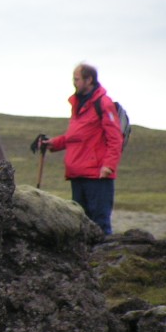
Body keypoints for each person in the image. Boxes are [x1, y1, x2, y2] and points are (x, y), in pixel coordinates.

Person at [42, 63, 123, 235]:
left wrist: (108, 166)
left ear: (89, 79)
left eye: (77, 79)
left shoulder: (103, 103)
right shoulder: (77, 105)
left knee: (100, 224)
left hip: (97, 175)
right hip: (77, 173)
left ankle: (103, 253)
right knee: (80, 223)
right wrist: (52, 143)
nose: (74, 82)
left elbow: (115, 138)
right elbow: (75, 136)